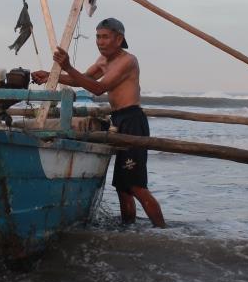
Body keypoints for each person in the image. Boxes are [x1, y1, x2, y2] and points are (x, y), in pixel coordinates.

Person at [32, 18, 166, 227]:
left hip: (132, 120)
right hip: (117, 119)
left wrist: (67, 66)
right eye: (97, 37)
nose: (100, 42)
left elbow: (97, 88)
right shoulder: (103, 60)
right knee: (122, 187)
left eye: (105, 37)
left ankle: (162, 231)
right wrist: (52, 76)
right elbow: (82, 79)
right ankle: (128, 228)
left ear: (119, 39)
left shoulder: (128, 61)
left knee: (136, 185)